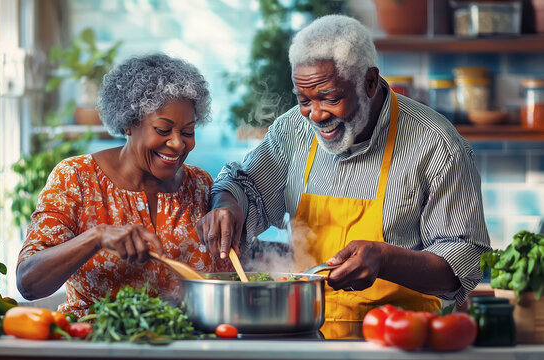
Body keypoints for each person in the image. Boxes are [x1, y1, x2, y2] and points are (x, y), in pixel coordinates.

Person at [198, 15, 492, 339]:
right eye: (304, 99)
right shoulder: (292, 130)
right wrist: (227, 206)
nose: (316, 115)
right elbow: (243, 184)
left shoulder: (436, 144)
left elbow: (466, 260)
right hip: (305, 334)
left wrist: (385, 259)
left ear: (369, 81)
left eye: (331, 98)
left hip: (399, 339)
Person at [17, 53, 230, 317]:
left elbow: (227, 280)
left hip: (184, 344)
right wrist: (96, 237)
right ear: (129, 123)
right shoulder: (76, 178)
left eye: (188, 132)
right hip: (96, 345)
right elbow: (28, 283)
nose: (178, 144)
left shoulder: (199, 185)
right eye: (163, 130)